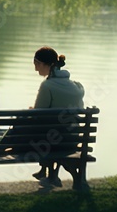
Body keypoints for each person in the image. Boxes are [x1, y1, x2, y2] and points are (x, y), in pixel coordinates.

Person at [30, 46, 84, 188]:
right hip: (73, 139)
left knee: (41, 131)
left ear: (44, 64)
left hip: (52, 141)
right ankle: (51, 175)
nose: (36, 69)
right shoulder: (76, 86)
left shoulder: (47, 85)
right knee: (56, 130)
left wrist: (31, 111)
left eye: (36, 64)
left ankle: (50, 175)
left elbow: (38, 114)